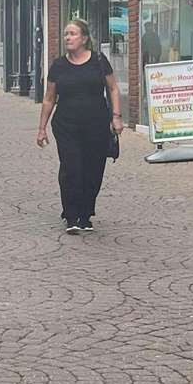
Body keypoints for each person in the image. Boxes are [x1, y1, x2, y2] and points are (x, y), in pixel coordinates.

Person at [36, 18, 123, 234]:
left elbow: (112, 88)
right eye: (66, 34)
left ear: (84, 38)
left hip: (96, 124)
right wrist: (41, 128)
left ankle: (86, 215)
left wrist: (116, 116)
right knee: (71, 167)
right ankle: (71, 214)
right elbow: (49, 98)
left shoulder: (99, 61)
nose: (68, 38)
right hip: (67, 125)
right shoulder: (58, 66)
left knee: (93, 170)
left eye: (72, 34)